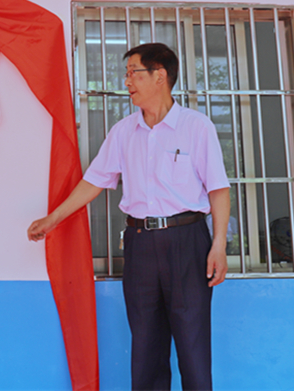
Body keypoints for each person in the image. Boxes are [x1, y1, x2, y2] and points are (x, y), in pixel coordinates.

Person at [28, 43, 230, 391]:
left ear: (160, 76)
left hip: (187, 242)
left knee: (192, 343)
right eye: (126, 74)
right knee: (146, 344)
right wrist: (53, 218)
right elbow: (94, 181)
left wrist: (219, 246)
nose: (127, 82)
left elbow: (218, 189)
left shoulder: (196, 127)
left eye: (134, 73)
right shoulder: (124, 131)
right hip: (140, 244)